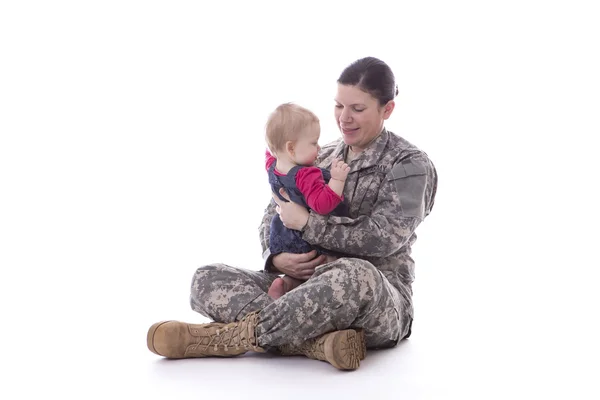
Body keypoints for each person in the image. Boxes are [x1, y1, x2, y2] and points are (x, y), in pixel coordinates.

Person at [146, 56, 438, 371]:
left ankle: (226, 338)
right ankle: (317, 344)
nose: (344, 118)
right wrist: (276, 257)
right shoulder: (316, 155)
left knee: (355, 275)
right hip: (299, 285)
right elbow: (273, 213)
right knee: (206, 278)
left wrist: (310, 225)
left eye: (358, 109)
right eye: (339, 106)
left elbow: (384, 239)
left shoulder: (409, 166)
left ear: (387, 109)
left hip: (376, 298)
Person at [263, 103, 351, 299]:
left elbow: (269, 153)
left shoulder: (273, 166)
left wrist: (273, 143)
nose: (319, 148)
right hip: (310, 245)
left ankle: (287, 286)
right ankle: (292, 294)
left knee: (308, 276)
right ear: (291, 148)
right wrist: (337, 180)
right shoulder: (306, 175)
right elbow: (322, 204)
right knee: (329, 263)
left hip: (283, 238)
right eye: (314, 143)